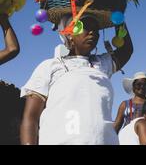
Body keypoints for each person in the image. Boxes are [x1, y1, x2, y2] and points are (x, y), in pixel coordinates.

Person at [20, 14, 133, 145]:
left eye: (96, 29)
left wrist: (118, 17)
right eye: (85, 27)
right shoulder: (50, 66)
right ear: (69, 35)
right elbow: (31, 117)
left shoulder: (102, 64)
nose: (92, 32)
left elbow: (126, 49)